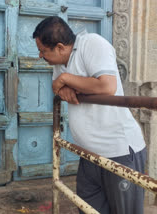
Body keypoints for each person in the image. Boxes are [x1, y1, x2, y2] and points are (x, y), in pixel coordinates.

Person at [33, 16, 147, 214]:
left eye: (43, 51)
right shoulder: (60, 63)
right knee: (88, 209)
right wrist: (62, 87)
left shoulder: (93, 44)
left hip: (118, 153)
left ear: (60, 47)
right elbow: (56, 87)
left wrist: (67, 79)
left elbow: (107, 86)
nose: (40, 56)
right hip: (88, 154)